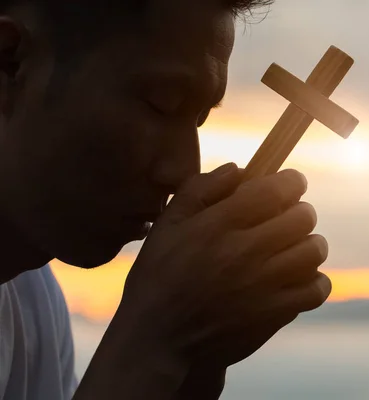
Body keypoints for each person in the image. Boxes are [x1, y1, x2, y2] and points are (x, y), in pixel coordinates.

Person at [0, 0, 333, 399]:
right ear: (9, 62)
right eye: (161, 104)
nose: (184, 172)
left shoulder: (31, 304)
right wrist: (156, 338)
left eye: (198, 120)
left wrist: (197, 363)